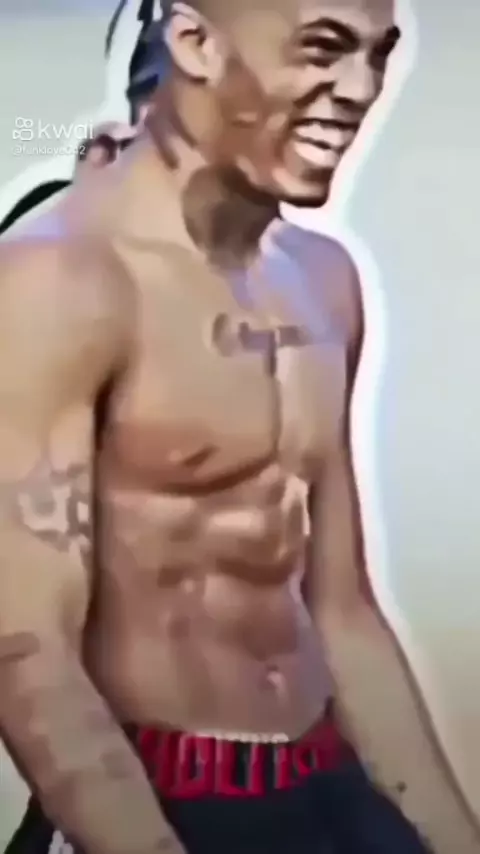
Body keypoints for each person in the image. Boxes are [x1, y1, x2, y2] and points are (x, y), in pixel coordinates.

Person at [0, 1, 478, 853]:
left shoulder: (322, 278)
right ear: (194, 42)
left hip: (321, 779)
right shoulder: (60, 278)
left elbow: (342, 610)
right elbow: (27, 650)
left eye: (378, 55)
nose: (361, 89)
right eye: (323, 49)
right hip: (152, 800)